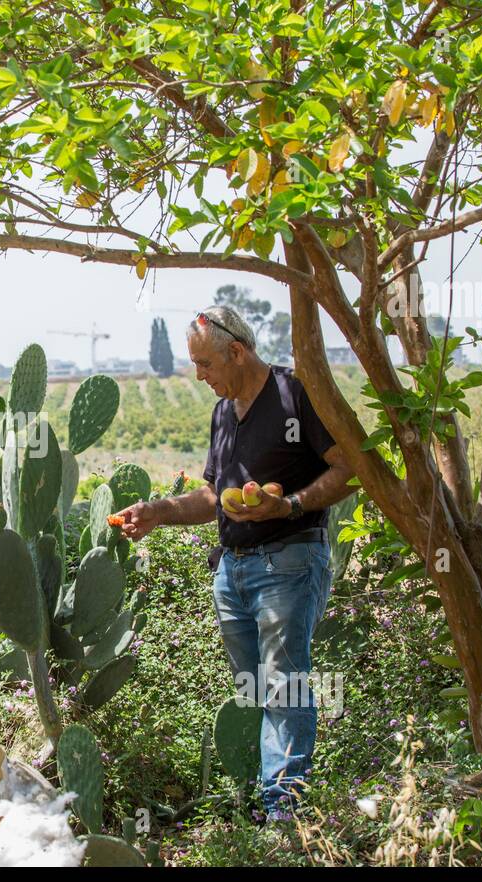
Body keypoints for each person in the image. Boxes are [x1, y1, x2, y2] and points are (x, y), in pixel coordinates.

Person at [117, 306, 356, 821]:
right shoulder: (224, 412)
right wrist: (158, 512)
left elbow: (349, 469)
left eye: (205, 364)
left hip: (289, 561)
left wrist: (288, 505)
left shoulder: (296, 395)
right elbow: (213, 495)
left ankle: (285, 815)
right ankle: (265, 801)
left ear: (237, 352)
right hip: (233, 570)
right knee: (255, 689)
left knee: (283, 685)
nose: (199, 375)